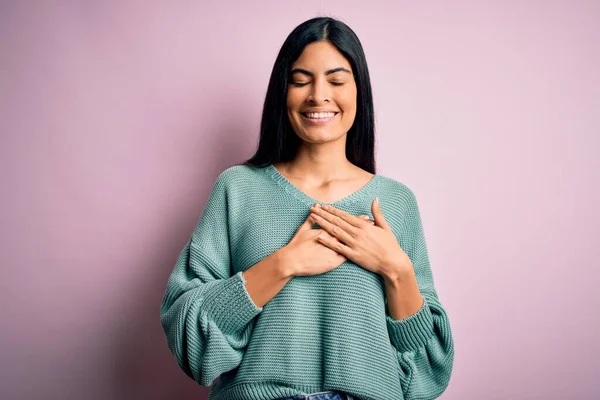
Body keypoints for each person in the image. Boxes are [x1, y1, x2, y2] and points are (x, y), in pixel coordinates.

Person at [160, 16, 454, 400]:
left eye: (336, 80)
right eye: (301, 81)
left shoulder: (396, 202)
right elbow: (189, 335)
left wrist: (395, 268)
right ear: (283, 92)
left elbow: (428, 369)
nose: (318, 95)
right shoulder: (238, 188)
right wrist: (283, 264)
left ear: (358, 92)